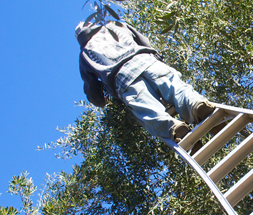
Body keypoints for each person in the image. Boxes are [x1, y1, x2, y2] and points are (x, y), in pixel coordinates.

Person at [75, 20, 216, 143]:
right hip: (148, 61)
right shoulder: (115, 26)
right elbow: (143, 40)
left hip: (125, 80)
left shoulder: (84, 54)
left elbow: (92, 89)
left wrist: (103, 101)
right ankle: (196, 105)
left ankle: (173, 128)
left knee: (149, 111)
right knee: (176, 87)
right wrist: (157, 58)